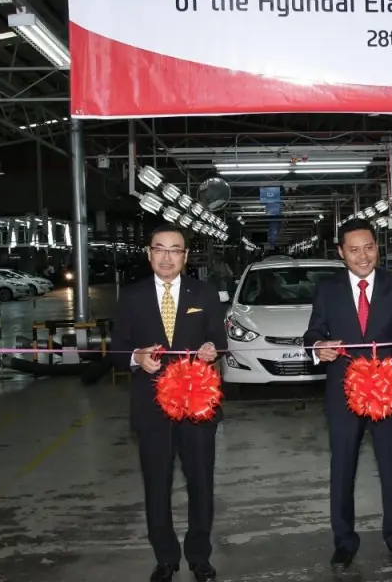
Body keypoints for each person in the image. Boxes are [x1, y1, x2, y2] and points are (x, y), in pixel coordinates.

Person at [303, 218, 392, 569]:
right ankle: (344, 542)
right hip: (342, 391)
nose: (363, 257)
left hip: (386, 389)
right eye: (354, 250)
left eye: (369, 248)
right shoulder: (328, 288)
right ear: (340, 252)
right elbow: (313, 331)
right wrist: (319, 346)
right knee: (343, 466)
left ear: (378, 247)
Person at [111, 224, 227, 582]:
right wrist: (137, 358)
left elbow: (219, 341)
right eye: (159, 249)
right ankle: (166, 558)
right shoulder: (131, 297)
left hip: (197, 406)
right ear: (148, 254)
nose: (166, 256)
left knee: (200, 483)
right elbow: (116, 352)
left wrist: (211, 351)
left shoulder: (205, 294)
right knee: (157, 485)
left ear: (185, 256)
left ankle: (199, 556)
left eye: (174, 250)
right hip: (152, 408)